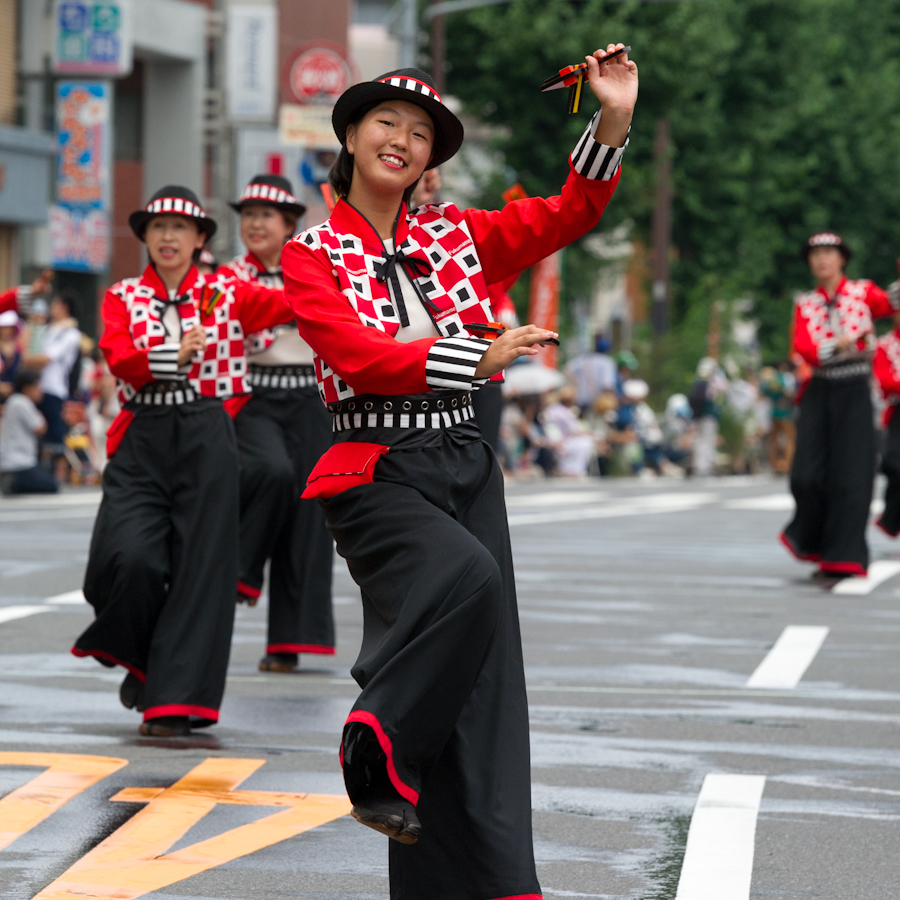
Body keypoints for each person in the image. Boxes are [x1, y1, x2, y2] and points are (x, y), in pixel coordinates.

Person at [282, 49, 636, 899]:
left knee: (485, 684)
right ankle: (377, 739)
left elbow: (566, 212)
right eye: (386, 124)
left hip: (463, 465)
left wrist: (613, 116)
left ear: (430, 158)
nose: (402, 140)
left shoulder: (460, 236)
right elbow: (359, 359)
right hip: (376, 470)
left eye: (419, 133)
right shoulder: (311, 254)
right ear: (352, 136)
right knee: (464, 581)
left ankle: (477, 878)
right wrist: (470, 358)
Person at [72, 185, 294, 737]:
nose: (168, 237)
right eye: (157, 227)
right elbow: (120, 359)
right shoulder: (121, 295)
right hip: (143, 437)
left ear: (199, 239)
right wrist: (174, 355)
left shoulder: (229, 290)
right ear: (145, 236)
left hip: (206, 434)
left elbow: (293, 299)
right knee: (129, 558)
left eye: (180, 228)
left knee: (201, 571)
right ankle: (136, 652)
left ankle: (172, 702)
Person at [217, 174, 335, 673]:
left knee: (310, 517)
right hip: (255, 396)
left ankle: (290, 642)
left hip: (310, 399)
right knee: (269, 471)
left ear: (289, 224)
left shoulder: (313, 267)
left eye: (265, 216)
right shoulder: (225, 276)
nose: (254, 225)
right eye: (247, 216)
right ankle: (241, 572)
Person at [781, 232, 895, 580]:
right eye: (816, 254)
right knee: (805, 476)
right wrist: (839, 345)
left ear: (842, 258)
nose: (822, 260)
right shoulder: (806, 303)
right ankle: (813, 539)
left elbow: (890, 304)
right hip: (819, 389)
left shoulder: (863, 292)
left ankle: (843, 556)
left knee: (852, 475)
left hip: (855, 389)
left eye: (829, 252)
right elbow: (804, 347)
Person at [23, 289, 82, 451]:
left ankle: (55, 475)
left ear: (64, 308)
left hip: (53, 389)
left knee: (54, 438)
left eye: (55, 304)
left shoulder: (71, 334)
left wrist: (25, 359)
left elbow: (48, 357)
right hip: (36, 387)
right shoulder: (48, 329)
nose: (51, 307)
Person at [0, 369, 58, 495]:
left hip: (17, 461)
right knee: (51, 485)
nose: (40, 390)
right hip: (19, 463)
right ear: (27, 388)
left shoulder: (15, 401)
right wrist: (40, 413)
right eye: (37, 386)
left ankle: (14, 482)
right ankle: (13, 483)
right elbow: (40, 428)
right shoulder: (21, 402)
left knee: (48, 480)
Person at [873, 306, 900, 536]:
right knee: (894, 465)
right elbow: (884, 381)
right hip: (896, 412)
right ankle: (892, 518)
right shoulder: (885, 344)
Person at [565, 333, 617, 412]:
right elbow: (607, 385)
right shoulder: (607, 361)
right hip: (598, 405)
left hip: (579, 401)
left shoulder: (583, 359)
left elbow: (567, 370)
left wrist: (575, 385)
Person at [760, 362, 796, 474]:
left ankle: (774, 464)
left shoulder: (770, 380)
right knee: (790, 438)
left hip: (773, 412)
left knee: (773, 440)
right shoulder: (785, 378)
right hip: (785, 411)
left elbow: (763, 392)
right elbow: (790, 392)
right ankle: (787, 463)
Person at [0, 309, 22, 402]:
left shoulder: (18, 349)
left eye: (10, 327)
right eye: (5, 327)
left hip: (12, 396)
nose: (7, 330)